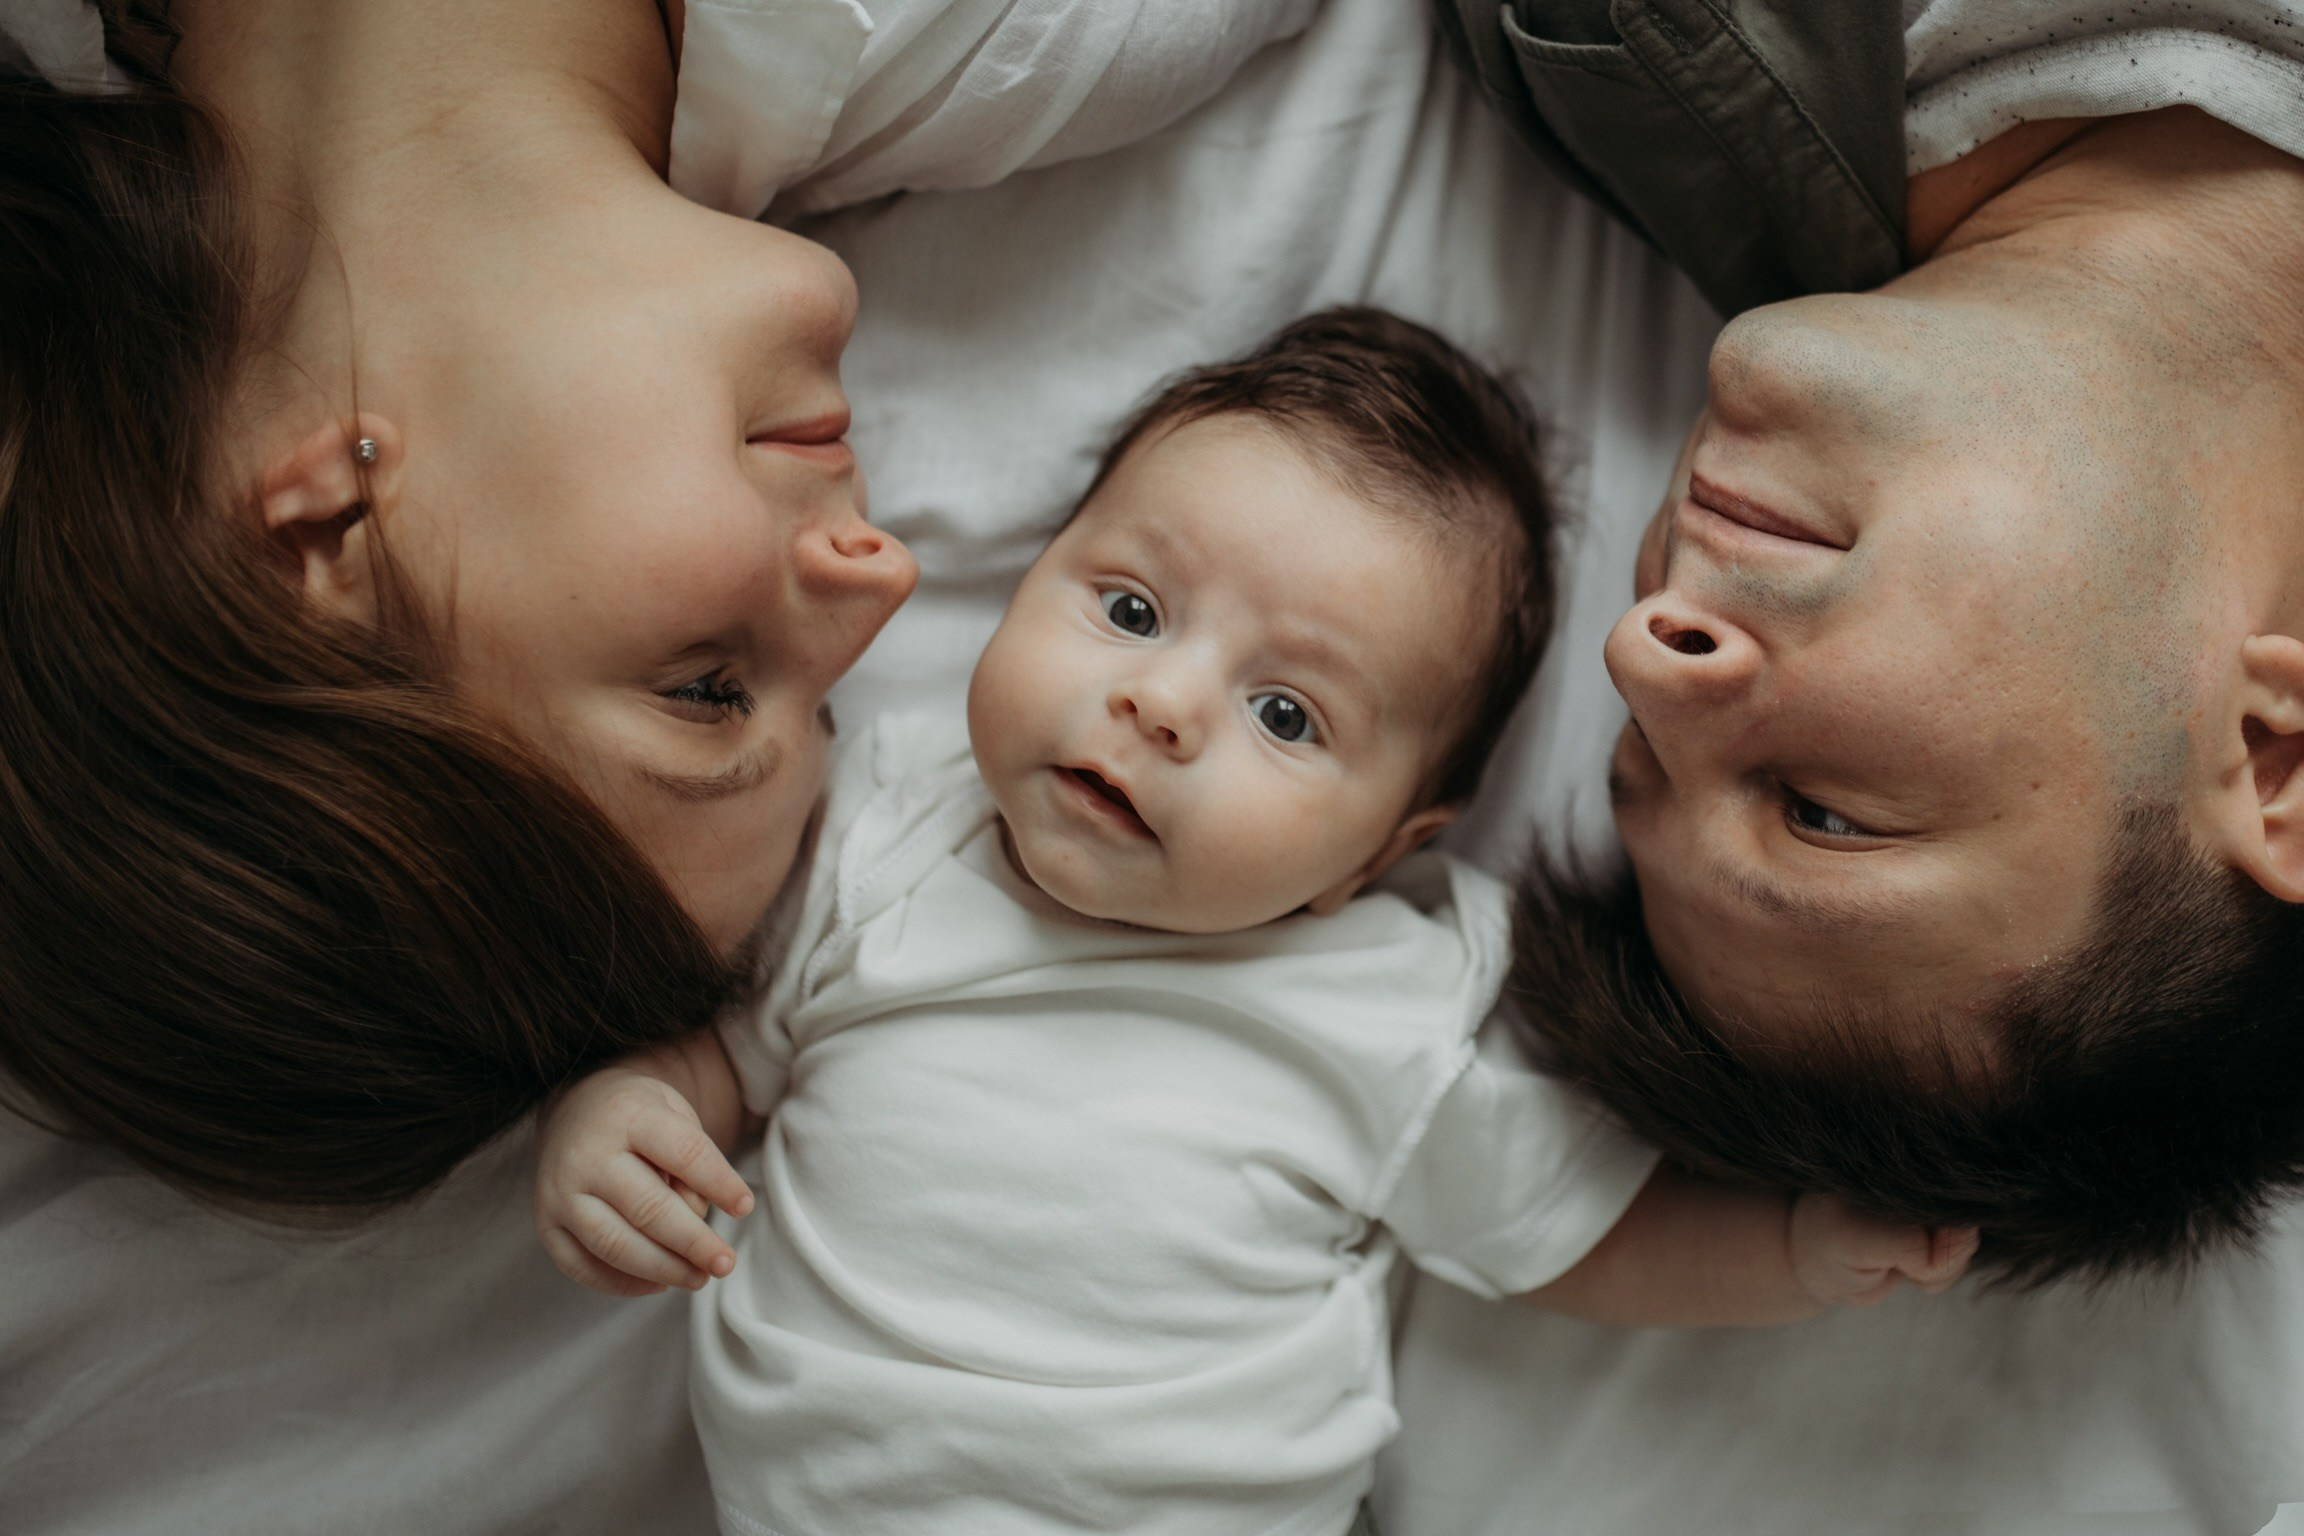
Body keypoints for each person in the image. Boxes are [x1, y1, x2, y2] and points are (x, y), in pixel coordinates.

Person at [534, 310, 1975, 1536]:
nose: (1159, 703)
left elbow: (1567, 1236)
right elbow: (716, 1064)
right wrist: (622, 1113)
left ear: (1378, 854)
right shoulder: (883, 838)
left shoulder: (1374, 1008)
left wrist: (1790, 1252)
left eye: (1286, 713)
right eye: (1131, 608)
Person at [1442, 0, 2304, 1284]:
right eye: (1823, 815)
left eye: (1642, 749)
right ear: (2271, 763)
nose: (1645, 653)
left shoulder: (1629, 44)